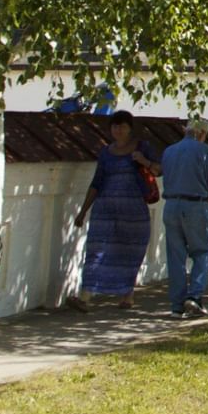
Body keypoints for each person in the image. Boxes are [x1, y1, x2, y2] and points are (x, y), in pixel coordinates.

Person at [68, 110, 161, 311]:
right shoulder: (105, 153)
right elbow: (96, 183)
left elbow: (159, 170)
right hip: (105, 210)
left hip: (133, 211)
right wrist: (83, 211)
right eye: (115, 126)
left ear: (130, 128)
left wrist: (143, 160)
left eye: (123, 126)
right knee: (95, 250)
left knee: (130, 251)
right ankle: (85, 296)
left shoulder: (142, 147)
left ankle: (127, 295)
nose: (118, 130)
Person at [159, 117, 208, 318]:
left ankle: (176, 305)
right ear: (202, 133)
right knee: (202, 251)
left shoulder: (169, 151)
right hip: (196, 204)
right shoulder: (205, 152)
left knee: (175, 256)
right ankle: (194, 296)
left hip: (171, 205)